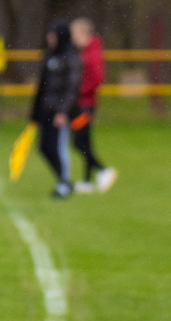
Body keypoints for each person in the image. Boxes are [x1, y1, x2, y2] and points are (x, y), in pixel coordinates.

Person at [30, 19, 81, 199]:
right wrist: (35, 112)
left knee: (59, 147)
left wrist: (63, 112)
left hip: (59, 113)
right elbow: (42, 86)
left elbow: (71, 88)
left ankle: (64, 183)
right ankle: (62, 179)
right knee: (44, 147)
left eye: (52, 34)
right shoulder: (49, 55)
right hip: (46, 110)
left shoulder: (71, 57)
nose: (49, 38)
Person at [70, 17, 116, 193]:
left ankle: (103, 170)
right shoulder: (83, 51)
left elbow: (98, 78)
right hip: (81, 104)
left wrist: (79, 91)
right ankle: (87, 180)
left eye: (75, 34)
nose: (73, 38)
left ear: (83, 33)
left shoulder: (92, 51)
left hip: (86, 105)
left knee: (77, 141)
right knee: (85, 140)